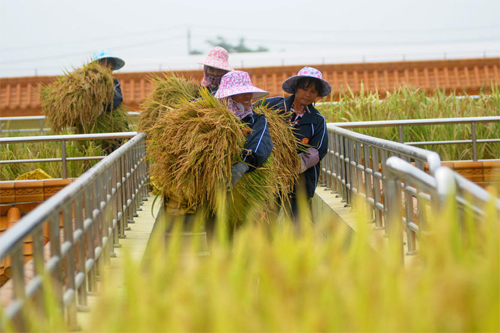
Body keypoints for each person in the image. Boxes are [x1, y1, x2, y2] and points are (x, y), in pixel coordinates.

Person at [260, 66, 331, 220]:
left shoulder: (317, 120)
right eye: (305, 89)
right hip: (270, 178)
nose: (308, 94)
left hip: (300, 181)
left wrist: (289, 168)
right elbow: (250, 115)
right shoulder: (272, 106)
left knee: (298, 226)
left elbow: (317, 151)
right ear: (296, 88)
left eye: (313, 91)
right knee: (266, 223)